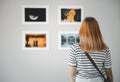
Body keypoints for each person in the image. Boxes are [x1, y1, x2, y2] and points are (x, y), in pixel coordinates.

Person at [68, 17, 113, 82]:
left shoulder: (74, 49)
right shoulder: (105, 49)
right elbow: (108, 72)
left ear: (82, 30)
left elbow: (73, 73)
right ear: (97, 31)